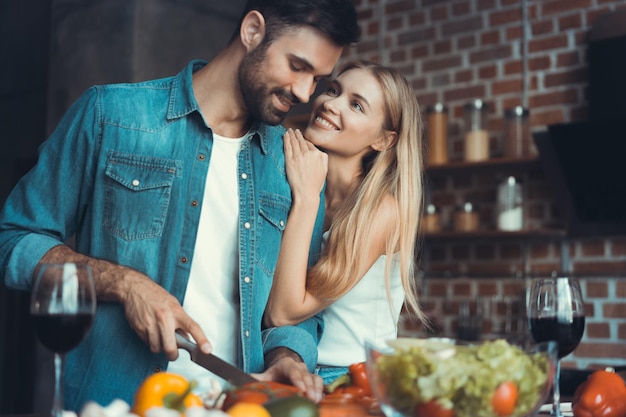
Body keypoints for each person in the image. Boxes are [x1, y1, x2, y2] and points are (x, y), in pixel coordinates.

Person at [0, 0, 360, 410]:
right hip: (117, 405)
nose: (303, 93)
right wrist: (124, 283)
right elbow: (15, 237)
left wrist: (288, 358)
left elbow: (295, 312)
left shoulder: (295, 165)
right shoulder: (110, 116)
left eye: (317, 78)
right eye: (297, 66)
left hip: (239, 406)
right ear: (253, 31)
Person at [263, 60, 427, 383]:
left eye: (355, 105)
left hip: (357, 380)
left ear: (384, 140)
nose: (330, 104)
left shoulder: (382, 211)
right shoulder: (304, 184)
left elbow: (283, 311)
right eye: (333, 90)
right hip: (293, 366)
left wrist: (307, 199)